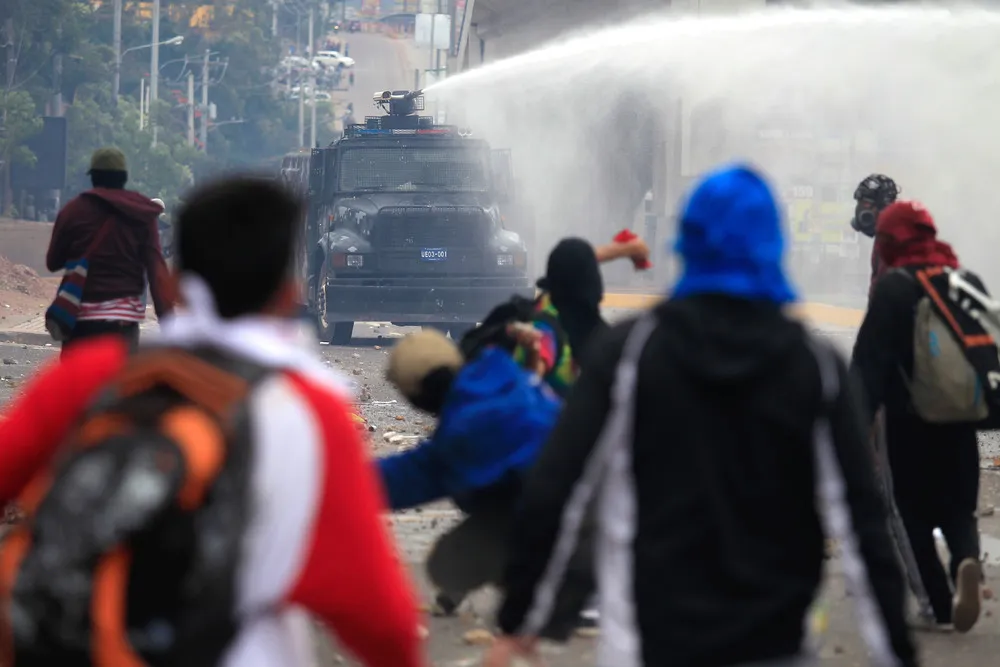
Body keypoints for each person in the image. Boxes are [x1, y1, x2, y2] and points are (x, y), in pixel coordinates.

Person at [484, 164, 918, 667]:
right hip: (776, 645)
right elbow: (864, 527)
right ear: (774, 246)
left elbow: (556, 490)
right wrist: (898, 654)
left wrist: (520, 623)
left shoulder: (629, 353)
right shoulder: (817, 367)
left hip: (648, 646)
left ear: (687, 242)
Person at [1, 176, 424, 667]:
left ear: (178, 287)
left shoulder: (91, 378)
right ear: (288, 295)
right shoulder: (311, 411)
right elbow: (381, 622)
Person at [377, 326, 591, 636]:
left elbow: (410, 476)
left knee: (449, 563)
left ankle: (572, 589)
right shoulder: (503, 372)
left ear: (417, 397)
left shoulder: (464, 432)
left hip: (578, 518)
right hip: (610, 490)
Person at [851, 200, 984, 633]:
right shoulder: (965, 281)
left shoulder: (893, 289)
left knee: (910, 515)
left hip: (908, 422)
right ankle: (965, 560)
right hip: (961, 419)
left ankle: (939, 605)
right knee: (958, 508)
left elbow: (868, 365)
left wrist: (856, 425)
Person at [46, 147, 173, 351]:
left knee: (78, 383)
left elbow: (53, 262)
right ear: (123, 178)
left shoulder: (73, 210)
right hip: (122, 324)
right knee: (119, 381)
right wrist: (169, 322)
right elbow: (157, 273)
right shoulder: (142, 213)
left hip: (80, 321)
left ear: (93, 177)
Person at [513, 235, 649, 397]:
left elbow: (574, 263)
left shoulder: (557, 294)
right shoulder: (549, 328)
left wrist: (625, 249)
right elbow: (529, 382)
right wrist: (533, 352)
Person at [851, 173, 901, 298]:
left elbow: (884, 294)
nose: (860, 210)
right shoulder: (886, 234)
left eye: (866, 204)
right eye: (859, 203)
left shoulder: (892, 240)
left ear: (883, 206)